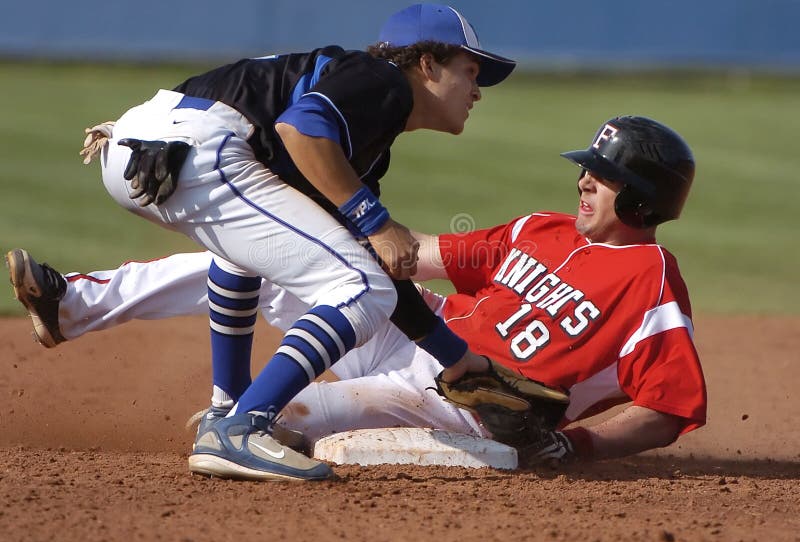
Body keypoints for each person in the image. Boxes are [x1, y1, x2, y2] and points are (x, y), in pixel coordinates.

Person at [7, 115, 706, 465]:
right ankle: (73, 305)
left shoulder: (651, 281)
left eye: (602, 175)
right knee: (247, 253)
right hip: (416, 328)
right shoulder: (541, 228)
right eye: (586, 169)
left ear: (640, 200)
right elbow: (417, 257)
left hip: (464, 402)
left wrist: (573, 448)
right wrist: (310, 217)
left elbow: (668, 408)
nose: (583, 180)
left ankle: (246, 422)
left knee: (279, 422)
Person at [48, 2, 516, 481]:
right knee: (360, 290)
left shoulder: (361, 139)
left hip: (143, 146)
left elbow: (373, 261)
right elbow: (304, 126)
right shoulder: (384, 81)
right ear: (427, 64)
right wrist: (376, 221)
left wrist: (458, 361)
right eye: (471, 71)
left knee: (265, 258)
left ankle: (226, 408)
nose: (477, 91)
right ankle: (242, 429)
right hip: (195, 149)